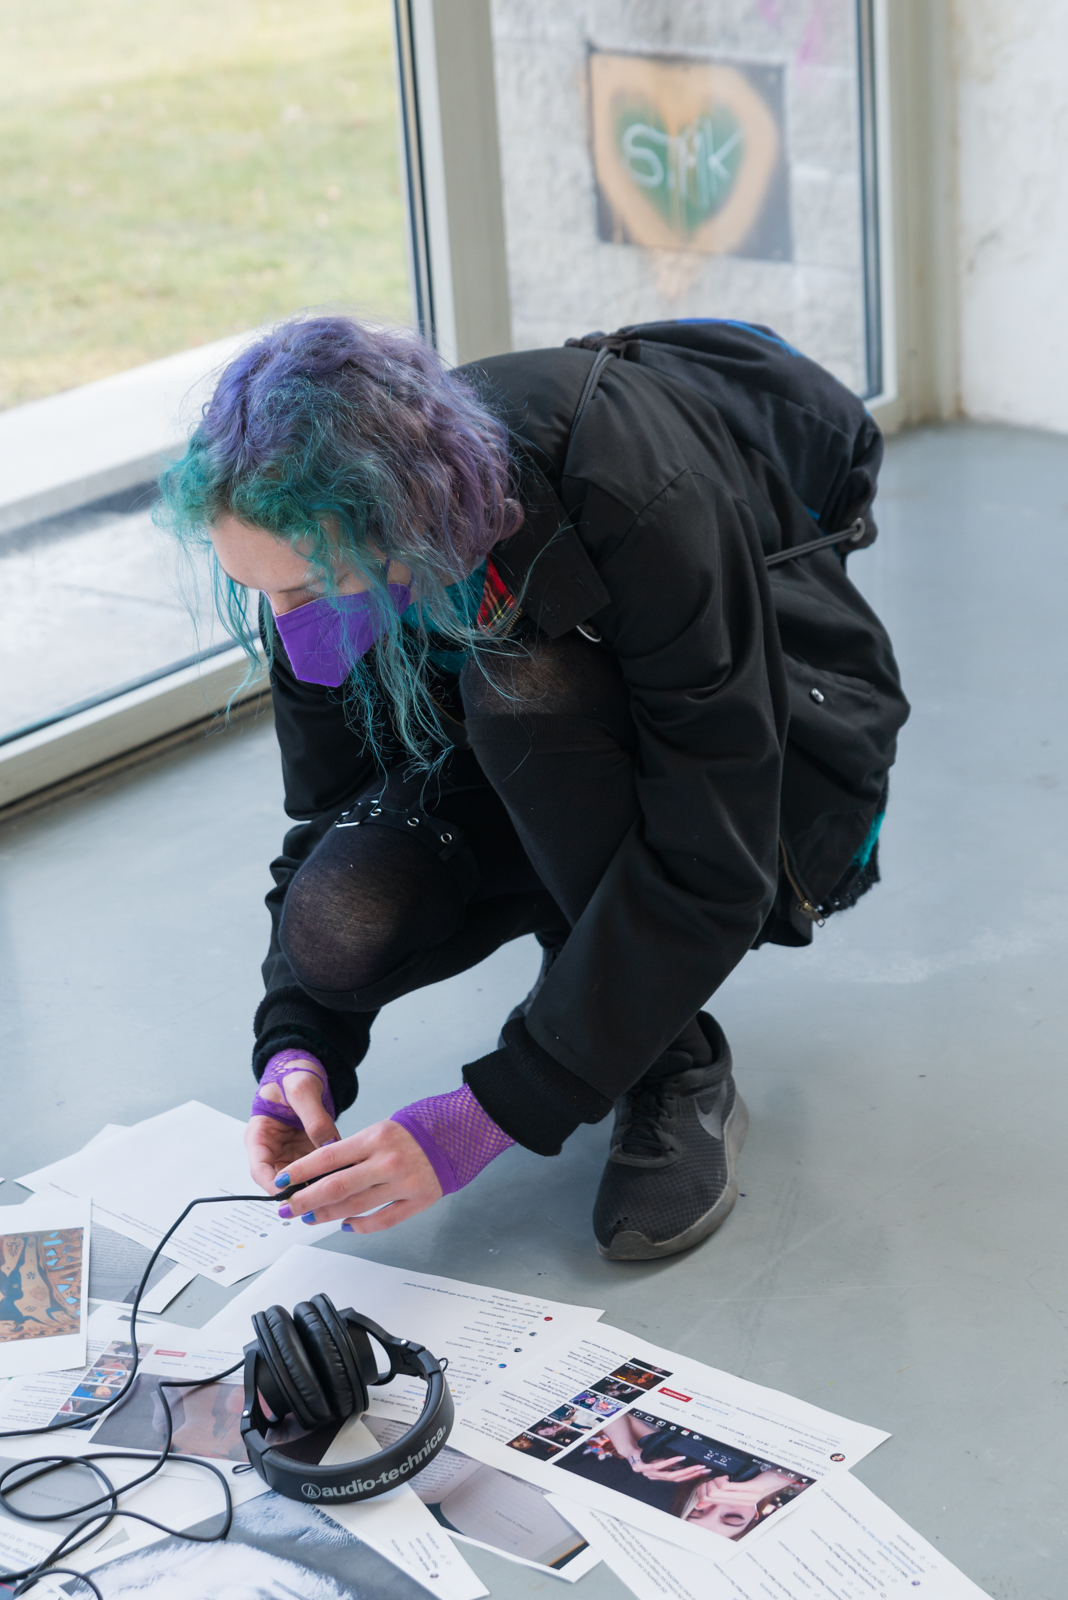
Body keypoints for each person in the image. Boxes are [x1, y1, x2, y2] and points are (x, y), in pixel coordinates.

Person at [156, 313, 908, 1260]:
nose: (288, 625)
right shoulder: (311, 535)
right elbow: (335, 809)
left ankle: (671, 1061)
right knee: (339, 924)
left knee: (525, 689)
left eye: (304, 591)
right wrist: (299, 1043)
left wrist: (489, 1116)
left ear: (400, 519)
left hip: (766, 755)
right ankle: (605, 987)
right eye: (257, 590)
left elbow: (717, 855)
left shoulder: (635, 491)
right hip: (523, 746)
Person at [560, 1412, 807, 1540]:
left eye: (698, 1511)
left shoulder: (667, 1462)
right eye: (732, 1517)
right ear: (754, 1516)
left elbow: (609, 1404)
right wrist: (771, 1483)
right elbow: (812, 1457)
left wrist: (628, 1449)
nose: (716, 1504)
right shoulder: (788, 1482)